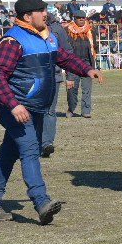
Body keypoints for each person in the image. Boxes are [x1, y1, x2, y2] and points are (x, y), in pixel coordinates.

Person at [0, 0, 103, 224]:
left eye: (45, 10)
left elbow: (63, 58)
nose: (46, 14)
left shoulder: (46, 37)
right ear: (27, 16)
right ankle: (41, 202)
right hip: (16, 109)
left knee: (8, 153)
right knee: (30, 151)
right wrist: (13, 105)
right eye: (41, 11)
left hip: (34, 107)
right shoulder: (12, 41)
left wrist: (86, 69)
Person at [41, 11, 75, 157]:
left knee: (49, 110)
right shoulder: (28, 29)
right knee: (37, 111)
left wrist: (70, 76)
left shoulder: (57, 30)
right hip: (34, 76)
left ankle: (46, 143)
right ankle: (36, 143)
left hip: (53, 76)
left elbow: (67, 53)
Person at [65, 10, 96, 118]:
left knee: (87, 89)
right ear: (75, 19)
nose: (82, 19)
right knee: (72, 89)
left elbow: (93, 47)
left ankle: (86, 111)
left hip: (87, 63)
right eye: (79, 18)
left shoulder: (90, 31)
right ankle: (71, 108)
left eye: (83, 18)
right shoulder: (67, 31)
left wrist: (93, 66)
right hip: (73, 63)